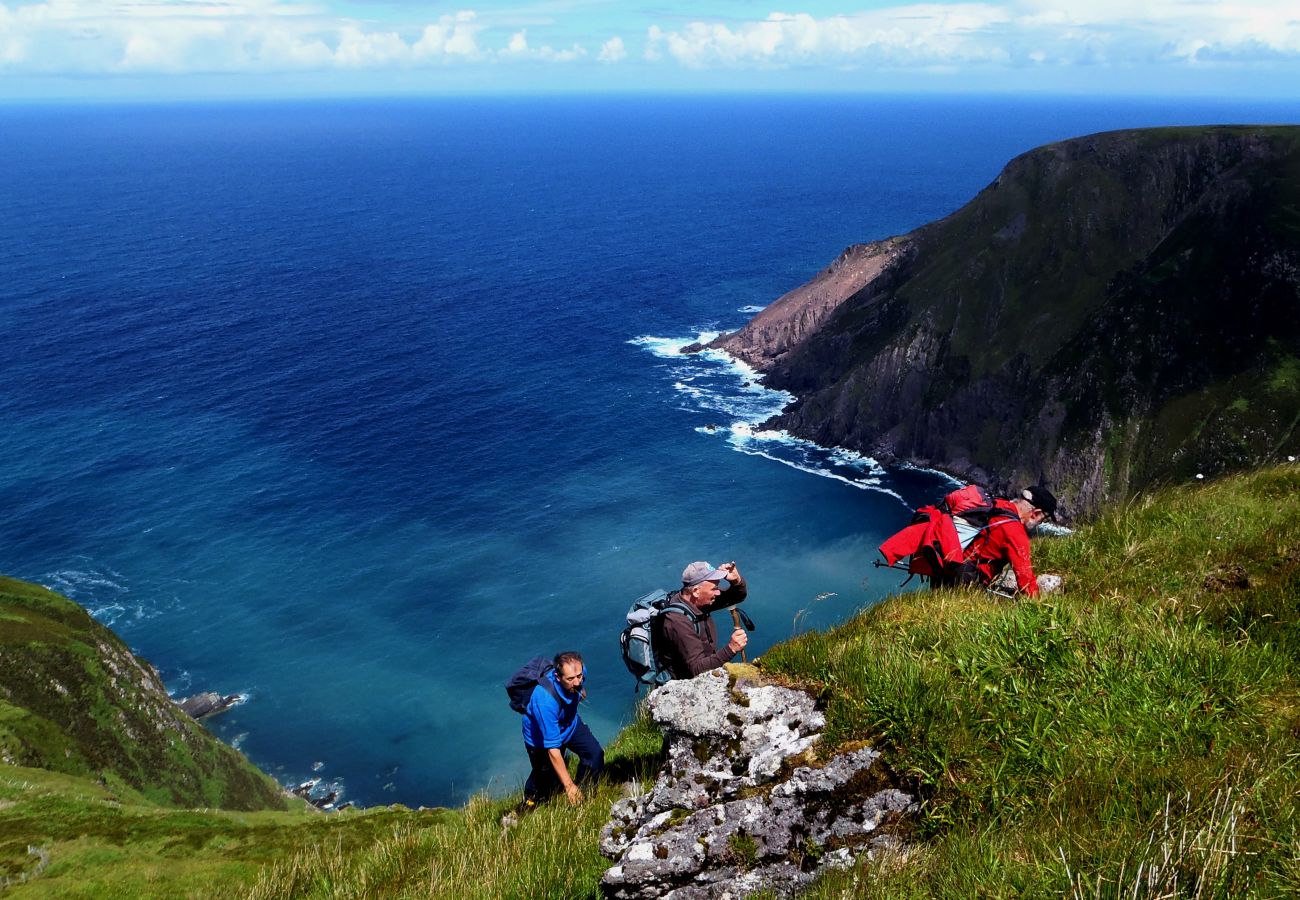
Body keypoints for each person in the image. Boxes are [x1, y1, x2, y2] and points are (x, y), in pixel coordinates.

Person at [522, 651, 603, 806]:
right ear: (558, 678)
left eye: (579, 676)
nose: (577, 682)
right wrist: (569, 785)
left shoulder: (577, 671)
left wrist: (580, 691)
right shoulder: (545, 700)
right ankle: (529, 802)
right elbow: (552, 748)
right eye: (570, 679)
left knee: (595, 754)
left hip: (569, 724)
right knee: (546, 781)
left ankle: (584, 795)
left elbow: (579, 682)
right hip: (541, 739)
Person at [653, 560, 749, 679]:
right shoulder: (677, 622)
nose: (718, 592)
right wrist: (731, 648)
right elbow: (697, 669)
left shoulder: (696, 601)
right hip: (684, 686)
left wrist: (736, 580)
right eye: (714, 588)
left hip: (703, 674)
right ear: (696, 591)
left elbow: (736, 597)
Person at [958, 485, 1057, 597]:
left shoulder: (997, 504)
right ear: (1036, 514)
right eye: (1043, 519)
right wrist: (1037, 606)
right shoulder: (1016, 534)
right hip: (963, 583)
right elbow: (1026, 581)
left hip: (949, 566)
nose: (1041, 524)